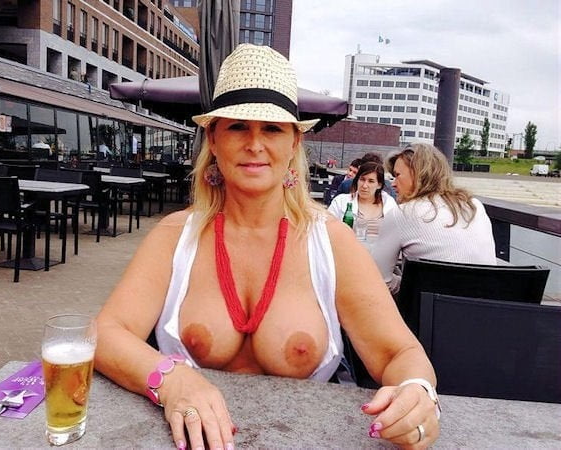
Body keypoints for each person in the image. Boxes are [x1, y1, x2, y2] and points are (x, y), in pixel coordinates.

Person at [94, 44, 440, 450]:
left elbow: (400, 353)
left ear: (294, 142)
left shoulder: (331, 241)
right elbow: (104, 334)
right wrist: (171, 380)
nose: (255, 144)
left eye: (272, 129)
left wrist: (418, 394)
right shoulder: (175, 234)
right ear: (213, 139)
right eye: (238, 126)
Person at [384, 143, 496, 265]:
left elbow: (380, 272)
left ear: (418, 174)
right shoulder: (474, 205)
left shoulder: (403, 212)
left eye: (397, 175)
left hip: (431, 278)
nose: (393, 184)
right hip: (486, 278)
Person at [328, 161, 400, 293]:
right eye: (362, 179)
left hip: (379, 270)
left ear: (379, 185)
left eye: (371, 181)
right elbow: (327, 231)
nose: (365, 185)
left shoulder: (390, 205)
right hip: (347, 266)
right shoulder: (341, 201)